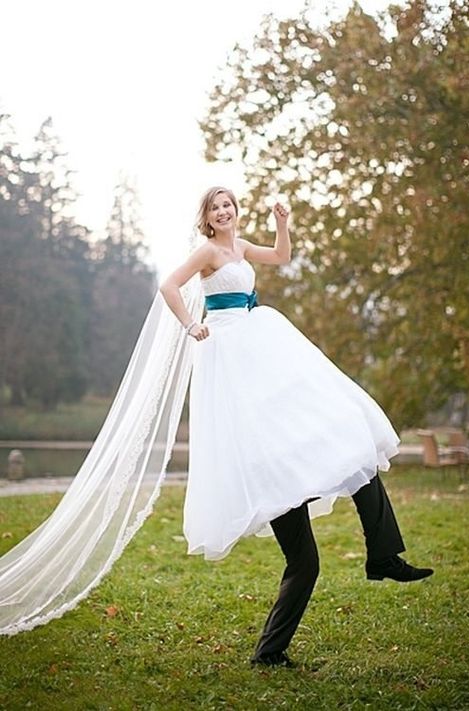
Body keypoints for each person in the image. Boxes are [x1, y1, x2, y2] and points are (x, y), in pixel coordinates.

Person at [159, 185, 434, 669]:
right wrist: (191, 325)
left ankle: (383, 555)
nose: (225, 212)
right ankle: (270, 653)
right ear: (206, 217)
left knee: (359, 453)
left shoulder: (240, 248)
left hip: (259, 345)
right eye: (216, 207)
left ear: (236, 212)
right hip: (232, 356)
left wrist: (283, 222)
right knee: (305, 562)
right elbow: (168, 286)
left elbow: (282, 257)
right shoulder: (206, 253)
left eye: (230, 205)